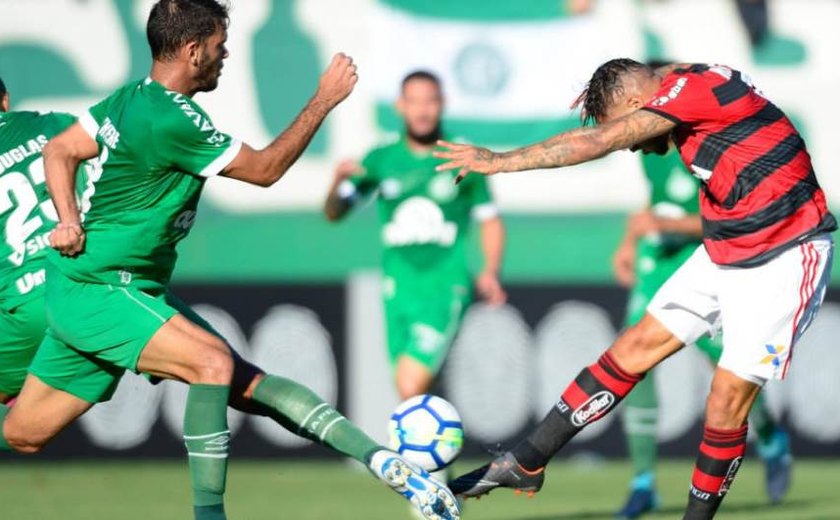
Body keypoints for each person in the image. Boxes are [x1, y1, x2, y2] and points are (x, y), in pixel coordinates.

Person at [0, 2, 460, 520]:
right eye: (219, 46)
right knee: (214, 365)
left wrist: (68, 219)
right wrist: (323, 99)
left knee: (24, 434)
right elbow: (264, 170)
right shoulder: (172, 118)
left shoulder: (131, 97)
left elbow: (61, 150)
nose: (225, 55)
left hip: (116, 288)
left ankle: (386, 465)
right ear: (194, 51)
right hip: (103, 287)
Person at [434, 58, 834, 519]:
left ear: (637, 103)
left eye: (627, 124)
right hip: (728, 244)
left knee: (726, 397)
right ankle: (527, 461)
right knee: (633, 348)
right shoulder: (677, 80)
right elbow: (642, 82)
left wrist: (500, 161)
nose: (632, 146)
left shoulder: (686, 93)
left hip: (786, 251)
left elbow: (600, 140)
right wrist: (604, 88)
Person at [613, 108, 791, 517]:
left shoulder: (708, 146)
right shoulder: (650, 149)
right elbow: (654, 203)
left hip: (703, 263)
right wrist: (628, 241)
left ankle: (769, 435)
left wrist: (663, 224)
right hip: (653, 264)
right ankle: (643, 482)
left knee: (729, 368)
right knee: (632, 359)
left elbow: (728, 217)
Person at [324, 71, 506, 402]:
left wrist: (490, 269)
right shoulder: (380, 160)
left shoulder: (462, 160)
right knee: (410, 390)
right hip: (397, 288)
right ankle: (430, 451)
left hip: (444, 287)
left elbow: (489, 219)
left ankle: (417, 449)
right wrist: (337, 183)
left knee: (410, 383)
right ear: (400, 106)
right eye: (414, 102)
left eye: (430, 101)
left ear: (442, 105)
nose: (422, 111)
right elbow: (336, 212)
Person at [0, 76, 95, 404]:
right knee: (216, 366)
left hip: (28, 306)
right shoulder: (59, 125)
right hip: (96, 286)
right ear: (6, 101)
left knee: (25, 433)